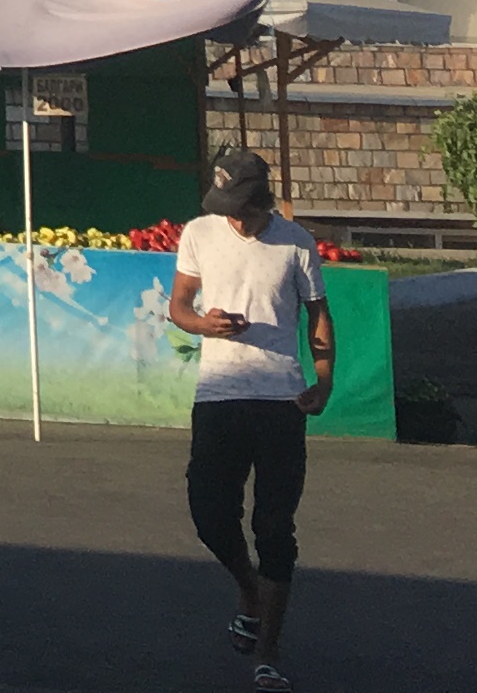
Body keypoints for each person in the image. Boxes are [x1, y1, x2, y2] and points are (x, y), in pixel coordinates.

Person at [167, 148, 331, 693]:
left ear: (262, 201)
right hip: (218, 395)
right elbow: (179, 305)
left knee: (275, 528)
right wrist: (203, 324)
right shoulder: (199, 233)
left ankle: (269, 654)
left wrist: (324, 378)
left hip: (281, 400)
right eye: (225, 207)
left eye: (240, 208)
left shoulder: (296, 242)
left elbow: (318, 314)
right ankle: (249, 589)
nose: (232, 218)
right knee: (209, 513)